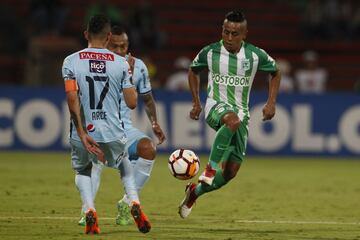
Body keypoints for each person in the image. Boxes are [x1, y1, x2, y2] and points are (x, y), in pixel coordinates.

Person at [178, 10, 281, 218]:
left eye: (235, 34)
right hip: (216, 106)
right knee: (231, 120)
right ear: (222, 31)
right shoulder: (210, 52)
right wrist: (197, 102)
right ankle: (209, 169)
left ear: (245, 34)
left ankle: (194, 192)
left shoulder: (254, 55)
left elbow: (276, 72)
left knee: (230, 173)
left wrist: (271, 103)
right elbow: (193, 70)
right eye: (226, 32)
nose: (230, 38)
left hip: (242, 115)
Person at [62, 15, 151, 234]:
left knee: (84, 168)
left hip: (84, 131)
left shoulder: (71, 61)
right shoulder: (121, 63)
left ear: (86, 34)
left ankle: (89, 209)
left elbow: (72, 99)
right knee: (124, 166)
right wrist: (128, 75)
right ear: (109, 36)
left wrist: (81, 132)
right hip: (112, 131)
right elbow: (131, 103)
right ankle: (133, 202)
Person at [77, 25, 166, 227]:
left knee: (148, 149)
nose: (119, 51)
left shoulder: (138, 66)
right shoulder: (92, 64)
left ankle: (126, 204)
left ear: (128, 46)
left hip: (124, 129)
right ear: (106, 44)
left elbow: (147, 99)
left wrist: (154, 122)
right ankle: (87, 211)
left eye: (123, 46)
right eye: (114, 46)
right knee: (96, 160)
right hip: (96, 126)